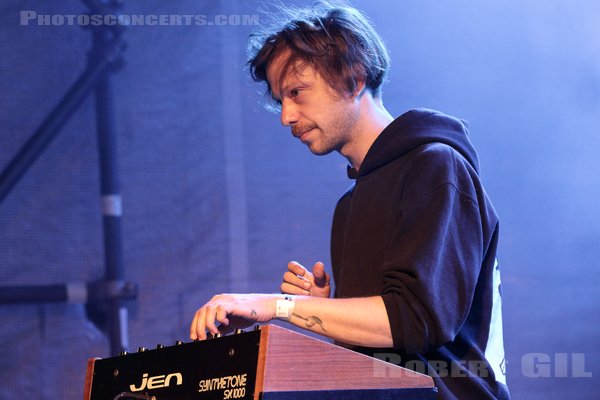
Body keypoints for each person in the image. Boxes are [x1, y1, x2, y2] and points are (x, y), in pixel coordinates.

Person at [189, 2, 510, 399]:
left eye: (296, 92)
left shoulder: (436, 166)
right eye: (280, 100)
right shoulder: (349, 206)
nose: (285, 116)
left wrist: (280, 306)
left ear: (353, 77)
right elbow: (382, 354)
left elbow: (414, 320)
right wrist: (323, 311)